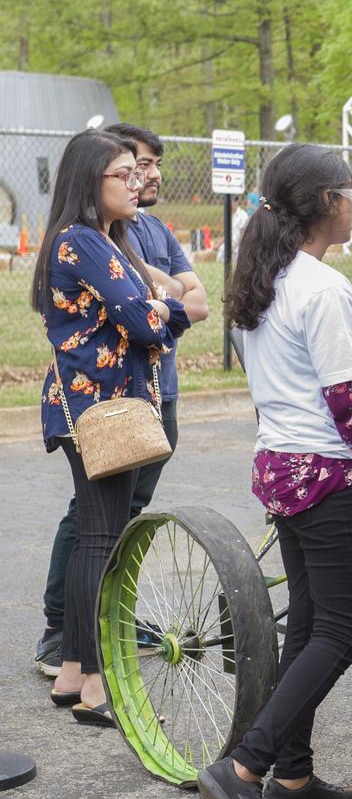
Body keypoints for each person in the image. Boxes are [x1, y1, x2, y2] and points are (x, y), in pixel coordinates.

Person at [198, 144, 352, 799]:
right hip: (329, 475)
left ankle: (293, 776)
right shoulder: (324, 287)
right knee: (342, 631)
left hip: (282, 467)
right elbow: (350, 399)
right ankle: (246, 764)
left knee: (310, 624)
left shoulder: (267, 277)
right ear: (327, 202)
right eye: (350, 191)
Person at [33, 123, 210, 679]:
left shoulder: (109, 240)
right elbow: (144, 321)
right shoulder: (82, 240)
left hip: (103, 406)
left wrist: (156, 307)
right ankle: (91, 679)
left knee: (98, 538)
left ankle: (71, 676)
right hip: (98, 411)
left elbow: (154, 311)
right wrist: (162, 309)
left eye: (139, 173)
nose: (138, 183)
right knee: (101, 542)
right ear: (92, 179)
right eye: (124, 174)